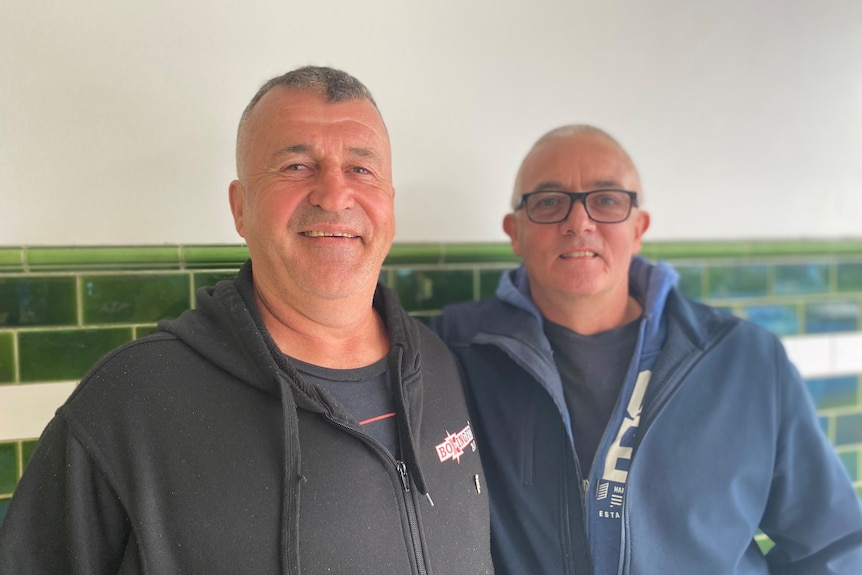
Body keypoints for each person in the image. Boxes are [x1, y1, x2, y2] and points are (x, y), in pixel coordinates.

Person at [0, 66, 493, 574]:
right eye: (297, 166)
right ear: (240, 208)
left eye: (361, 170)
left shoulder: (434, 362)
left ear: (389, 203)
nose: (334, 194)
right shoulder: (129, 402)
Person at [433, 124, 862, 574]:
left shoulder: (748, 361)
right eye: (548, 202)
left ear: (639, 228)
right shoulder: (455, 351)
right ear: (514, 232)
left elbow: (833, 546)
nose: (579, 222)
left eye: (607, 200)